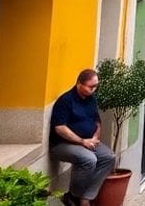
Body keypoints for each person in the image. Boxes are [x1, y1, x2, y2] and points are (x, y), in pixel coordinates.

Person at [49, 69, 115, 206]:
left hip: (87, 141)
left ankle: (86, 197)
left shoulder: (91, 100)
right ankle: (73, 196)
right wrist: (82, 141)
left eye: (96, 86)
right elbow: (60, 128)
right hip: (63, 144)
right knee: (89, 159)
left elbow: (97, 122)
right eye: (91, 87)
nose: (94, 90)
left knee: (109, 157)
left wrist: (95, 138)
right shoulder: (65, 100)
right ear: (79, 84)